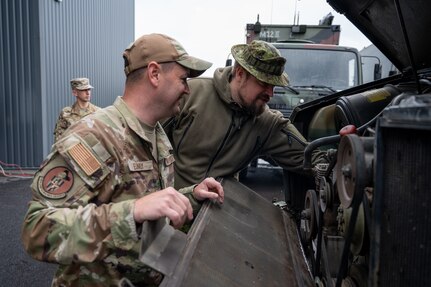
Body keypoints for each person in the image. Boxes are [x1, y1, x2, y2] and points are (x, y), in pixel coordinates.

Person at [21, 33, 224, 287]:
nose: (187, 88)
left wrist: (191, 196)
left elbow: (146, 200)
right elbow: (37, 230)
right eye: (183, 79)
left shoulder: (156, 134)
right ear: (154, 73)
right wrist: (133, 212)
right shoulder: (94, 136)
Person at [164, 40, 328, 190]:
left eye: (274, 86)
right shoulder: (190, 95)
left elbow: (310, 157)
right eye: (264, 83)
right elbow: (146, 142)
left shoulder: (267, 124)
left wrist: (335, 165)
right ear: (240, 74)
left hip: (216, 216)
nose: (270, 93)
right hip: (170, 210)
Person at [53, 77, 101, 142]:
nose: (88, 93)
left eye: (89, 89)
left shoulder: (98, 112)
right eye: (84, 90)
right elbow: (59, 139)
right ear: (75, 92)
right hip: (74, 150)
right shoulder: (66, 113)